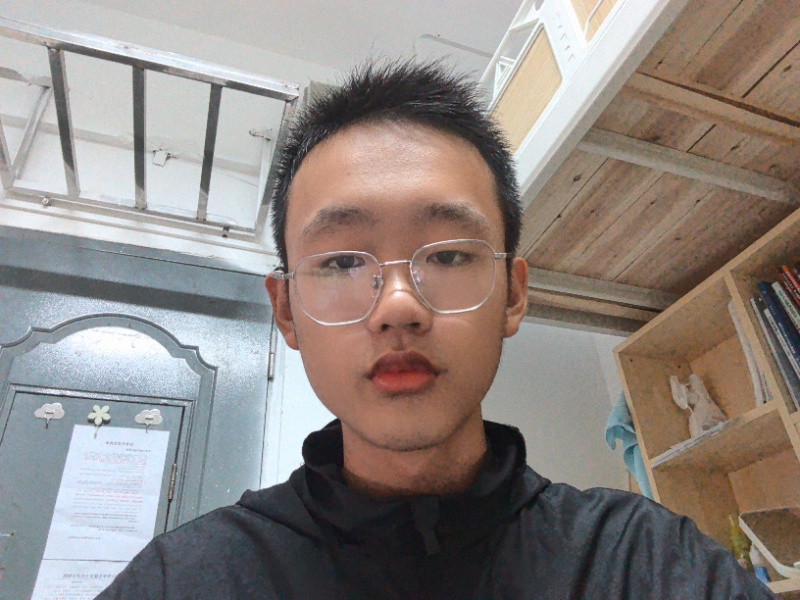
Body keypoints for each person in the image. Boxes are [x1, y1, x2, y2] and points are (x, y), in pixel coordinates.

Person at [97, 61, 775, 599]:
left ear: (513, 294)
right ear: (287, 312)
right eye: (341, 261)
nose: (398, 306)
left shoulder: (647, 563)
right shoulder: (183, 580)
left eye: (448, 255)